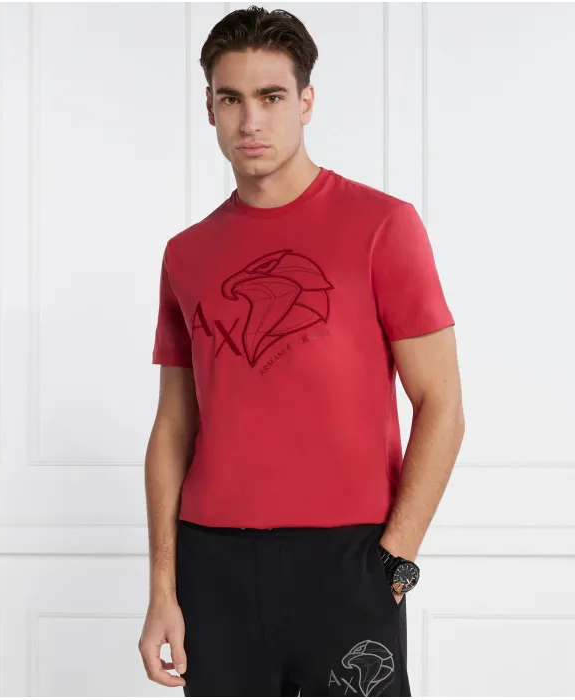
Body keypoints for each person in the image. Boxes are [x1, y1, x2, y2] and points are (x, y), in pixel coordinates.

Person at [138, 5, 465, 697]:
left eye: (271, 97)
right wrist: (163, 586)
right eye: (231, 99)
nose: (250, 121)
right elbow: (172, 428)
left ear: (306, 102)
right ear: (209, 108)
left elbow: (441, 403)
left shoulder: (383, 226)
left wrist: (396, 558)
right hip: (215, 562)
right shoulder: (186, 254)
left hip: (350, 559)